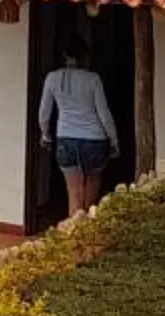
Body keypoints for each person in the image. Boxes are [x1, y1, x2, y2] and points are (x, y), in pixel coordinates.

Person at [37, 38, 120, 217]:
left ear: (64, 55)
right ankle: (87, 232)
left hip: (65, 138)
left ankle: (72, 236)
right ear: (85, 56)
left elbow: (44, 113)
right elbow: (104, 114)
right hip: (94, 140)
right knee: (91, 197)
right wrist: (113, 140)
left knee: (73, 193)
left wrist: (45, 135)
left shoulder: (52, 78)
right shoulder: (93, 79)